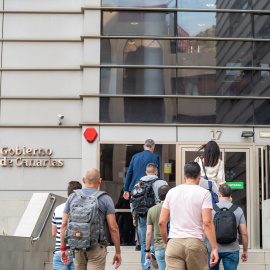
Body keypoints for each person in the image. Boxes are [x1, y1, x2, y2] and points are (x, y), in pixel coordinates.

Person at [159, 161, 219, 270]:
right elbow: (207, 223)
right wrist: (214, 248)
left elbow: (162, 222)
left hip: (174, 243)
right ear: (199, 176)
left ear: (184, 175)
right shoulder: (204, 193)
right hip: (194, 242)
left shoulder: (171, 192)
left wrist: (166, 242)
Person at [60, 168, 122, 270]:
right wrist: (118, 251)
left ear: (83, 180)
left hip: (77, 246)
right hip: (96, 248)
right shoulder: (105, 198)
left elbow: (64, 224)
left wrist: (63, 248)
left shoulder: (72, 197)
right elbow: (113, 228)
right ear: (100, 180)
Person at [131, 163, 168, 269]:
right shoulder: (161, 182)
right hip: (158, 214)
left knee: (144, 240)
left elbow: (132, 201)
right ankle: (155, 254)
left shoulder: (138, 184)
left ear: (146, 172)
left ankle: (145, 266)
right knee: (159, 238)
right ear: (156, 172)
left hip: (142, 215)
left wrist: (134, 216)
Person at [207, 184, 248, 270]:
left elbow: (206, 227)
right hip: (232, 249)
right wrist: (245, 251)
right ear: (230, 196)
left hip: (213, 249)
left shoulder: (211, 209)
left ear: (219, 195)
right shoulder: (238, 210)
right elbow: (244, 233)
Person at [52, 181, 82, 270]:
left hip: (59, 251)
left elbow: (54, 233)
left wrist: (62, 244)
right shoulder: (83, 209)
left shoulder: (58, 209)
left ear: (67, 194)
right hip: (77, 252)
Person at [145, 185, 171, 270]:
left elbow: (149, 233)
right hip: (173, 246)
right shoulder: (173, 208)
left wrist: (147, 250)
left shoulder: (152, 210)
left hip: (159, 248)